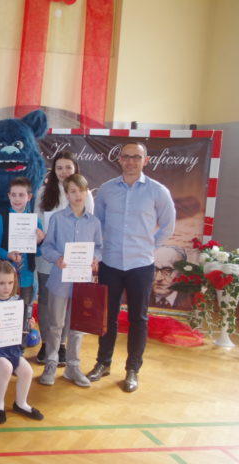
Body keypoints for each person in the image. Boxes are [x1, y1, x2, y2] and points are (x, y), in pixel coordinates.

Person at [87, 141, 176, 393]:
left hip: (141, 265)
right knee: (108, 317)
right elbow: (98, 224)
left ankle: (132, 369)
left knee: (139, 318)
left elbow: (168, 225)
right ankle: (103, 363)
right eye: (126, 156)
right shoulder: (106, 190)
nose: (131, 161)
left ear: (145, 161)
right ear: (119, 159)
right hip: (111, 264)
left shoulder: (158, 191)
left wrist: (149, 246)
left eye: (136, 157)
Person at [39, 174, 102, 387]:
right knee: (55, 325)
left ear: (86, 193)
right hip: (60, 281)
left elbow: (99, 248)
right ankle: (51, 363)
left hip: (82, 283)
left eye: (81, 190)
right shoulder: (57, 219)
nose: (77, 195)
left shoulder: (94, 222)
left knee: (78, 326)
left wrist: (95, 258)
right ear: (66, 194)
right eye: (73, 191)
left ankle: (73, 367)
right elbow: (47, 247)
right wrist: (57, 258)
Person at [34, 151, 94, 366]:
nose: (64, 172)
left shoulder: (86, 194)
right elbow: (37, 221)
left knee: (67, 302)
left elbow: (89, 224)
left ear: (75, 169)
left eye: (68, 167)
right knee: (45, 301)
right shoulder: (43, 192)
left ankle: (61, 344)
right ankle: (46, 343)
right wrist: (41, 234)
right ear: (54, 170)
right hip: (48, 257)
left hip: (72, 260)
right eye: (59, 168)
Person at [0, 262, 43, 424]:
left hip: (11, 348)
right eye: (1, 283)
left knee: (27, 371)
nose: (6, 287)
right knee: (5, 368)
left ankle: (21, 403)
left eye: (10, 283)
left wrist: (28, 326)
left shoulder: (18, 302)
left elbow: (21, 334)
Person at [0, 177, 45, 331]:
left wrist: (40, 241)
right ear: (8, 196)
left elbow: (39, 253)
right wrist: (7, 254)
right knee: (4, 315)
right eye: (13, 195)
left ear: (29, 197)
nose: (17, 199)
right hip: (5, 279)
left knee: (24, 316)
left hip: (26, 277)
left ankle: (22, 341)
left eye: (21, 195)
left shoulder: (35, 221)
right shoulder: (0, 219)